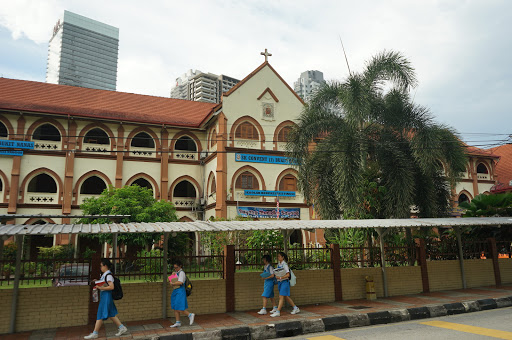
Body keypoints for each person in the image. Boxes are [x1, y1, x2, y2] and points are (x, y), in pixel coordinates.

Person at [84, 259, 128, 339]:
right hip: (105, 296)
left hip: (106, 296)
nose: (100, 267)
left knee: (100, 314)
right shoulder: (105, 274)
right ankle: (122, 327)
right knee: (111, 313)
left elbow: (111, 287)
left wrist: (100, 287)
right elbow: (105, 283)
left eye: (101, 266)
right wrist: (98, 281)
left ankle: (95, 333)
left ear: (105, 266)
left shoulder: (108, 275)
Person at [270, 252, 300, 317]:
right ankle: (295, 308)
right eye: (278, 256)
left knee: (281, 296)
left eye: (279, 256)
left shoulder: (285, 265)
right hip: (280, 282)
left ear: (283, 257)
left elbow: (288, 274)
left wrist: (280, 277)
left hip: (284, 282)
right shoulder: (279, 264)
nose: (278, 258)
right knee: (285, 296)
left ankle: (278, 311)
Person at [169, 260, 195, 328]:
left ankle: (190, 315)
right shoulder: (177, 272)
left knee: (178, 306)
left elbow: (180, 282)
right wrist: (173, 276)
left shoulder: (182, 273)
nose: (175, 269)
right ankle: (178, 322)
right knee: (175, 307)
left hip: (180, 291)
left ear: (180, 266)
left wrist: (173, 283)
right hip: (175, 290)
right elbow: (173, 279)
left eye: (176, 267)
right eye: (174, 268)